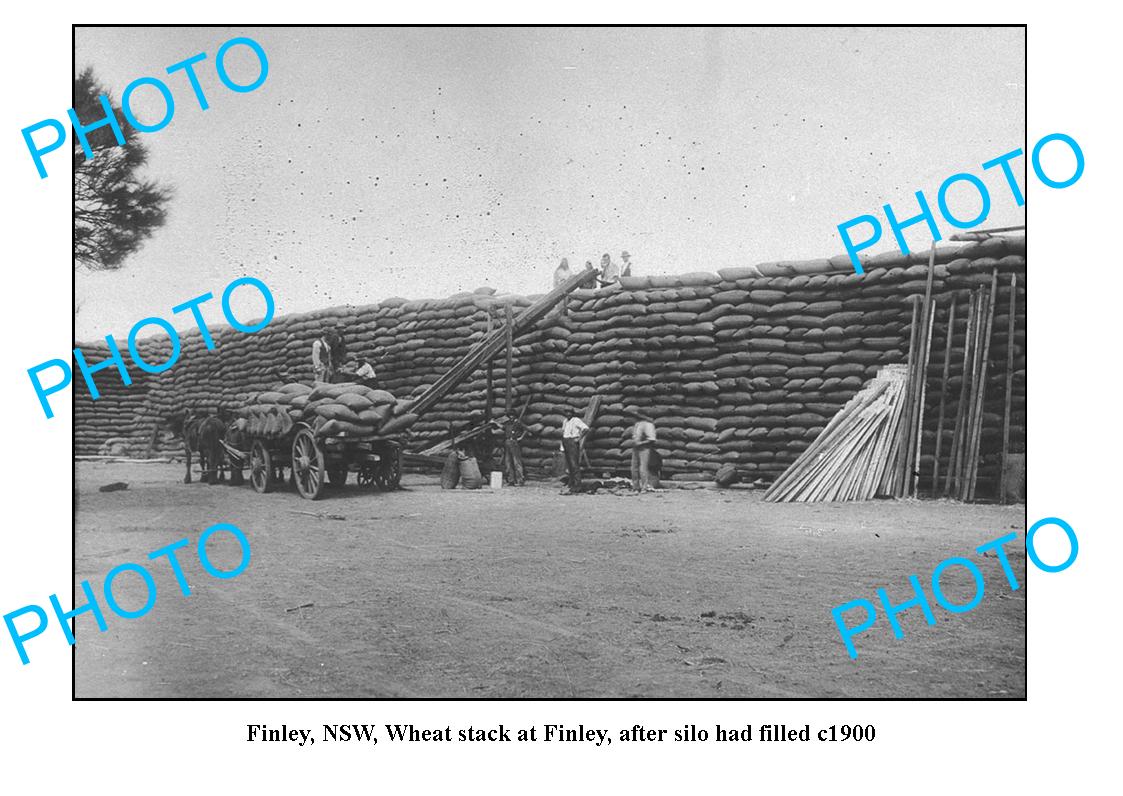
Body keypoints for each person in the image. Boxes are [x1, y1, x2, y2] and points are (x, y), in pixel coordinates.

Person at [560, 412, 590, 494]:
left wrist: (579, 439)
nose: (568, 414)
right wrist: (562, 445)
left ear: (572, 413)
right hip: (566, 442)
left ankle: (577, 486)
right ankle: (571, 484)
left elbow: (586, 429)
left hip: (573, 442)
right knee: (569, 465)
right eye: (566, 412)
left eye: (570, 412)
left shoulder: (576, 420)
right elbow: (563, 433)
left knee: (574, 465)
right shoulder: (565, 421)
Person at [629, 409, 658, 492]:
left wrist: (641, 443)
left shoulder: (649, 425)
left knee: (643, 468)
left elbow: (652, 439)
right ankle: (636, 487)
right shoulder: (637, 424)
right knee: (634, 468)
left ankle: (644, 487)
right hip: (635, 447)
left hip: (644, 448)